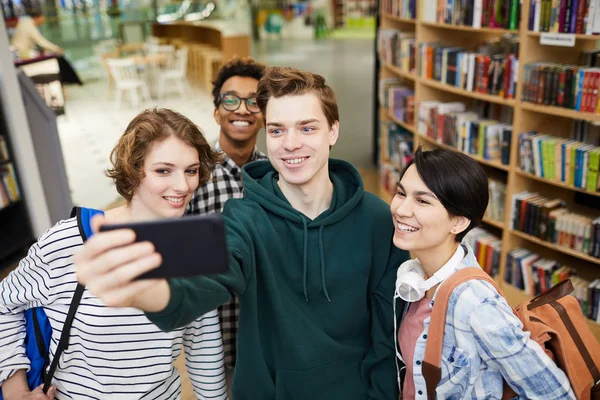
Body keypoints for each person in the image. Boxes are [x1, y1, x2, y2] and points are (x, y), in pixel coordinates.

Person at [74, 66, 410, 400]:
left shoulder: (376, 218)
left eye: (307, 128)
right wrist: (149, 289)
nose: (290, 144)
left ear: (333, 131)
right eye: (277, 131)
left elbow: (387, 328)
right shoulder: (241, 217)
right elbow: (203, 280)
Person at [0, 108, 228, 400]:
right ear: (133, 172)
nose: (183, 186)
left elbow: (203, 346)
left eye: (191, 170)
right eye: (163, 170)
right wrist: (15, 390)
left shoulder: (195, 246)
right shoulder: (69, 241)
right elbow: (5, 305)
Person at [391, 147, 574, 399]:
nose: (401, 209)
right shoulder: (415, 276)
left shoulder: (475, 302)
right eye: (401, 193)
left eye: (422, 200)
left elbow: (557, 395)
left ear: (459, 222)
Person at [188, 57, 267, 371]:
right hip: (214, 340)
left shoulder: (277, 174)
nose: (243, 109)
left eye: (254, 101)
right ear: (216, 110)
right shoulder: (193, 175)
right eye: (231, 99)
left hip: (268, 335)